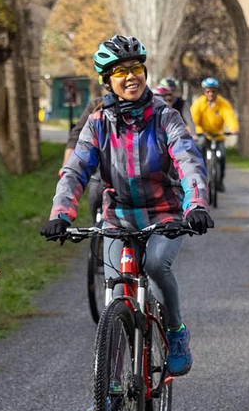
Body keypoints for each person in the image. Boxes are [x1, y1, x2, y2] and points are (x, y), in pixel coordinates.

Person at [41, 35, 213, 375]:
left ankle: (176, 331)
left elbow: (188, 162)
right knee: (117, 291)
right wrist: (60, 214)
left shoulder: (166, 117)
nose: (131, 76)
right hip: (117, 219)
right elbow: (75, 170)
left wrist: (196, 205)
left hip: (164, 216)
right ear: (107, 81)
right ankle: (112, 384)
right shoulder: (98, 123)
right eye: (120, 71)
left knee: (156, 266)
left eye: (136, 68)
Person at [190, 77, 239, 193]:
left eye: (213, 91)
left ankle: (219, 181)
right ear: (204, 92)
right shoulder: (199, 103)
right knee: (200, 147)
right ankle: (201, 176)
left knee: (222, 156)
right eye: (208, 91)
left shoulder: (223, 104)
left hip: (218, 135)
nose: (210, 94)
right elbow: (193, 119)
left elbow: (229, 116)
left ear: (216, 91)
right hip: (203, 133)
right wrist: (193, 130)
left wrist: (233, 128)